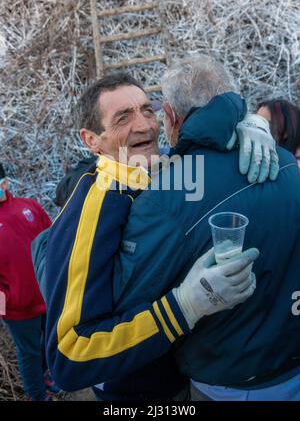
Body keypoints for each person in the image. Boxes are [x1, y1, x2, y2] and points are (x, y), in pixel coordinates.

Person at [42, 70, 277, 401]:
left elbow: (206, 140)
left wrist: (249, 124)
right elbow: (69, 354)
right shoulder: (93, 209)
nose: (145, 126)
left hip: (192, 375)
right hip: (139, 394)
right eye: (123, 117)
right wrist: (184, 306)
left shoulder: (165, 167)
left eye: (147, 110)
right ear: (92, 140)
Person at [111, 56, 300, 401]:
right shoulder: (286, 162)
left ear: (170, 116)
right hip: (292, 365)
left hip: (227, 381)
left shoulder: (168, 193)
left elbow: (127, 296)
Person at [0, 163, 54, 401]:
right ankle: (37, 395)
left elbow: (52, 240)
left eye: (1, 181)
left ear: (5, 182)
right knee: (29, 353)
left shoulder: (28, 206)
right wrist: (8, 304)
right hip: (18, 311)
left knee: (50, 341)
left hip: (47, 295)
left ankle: (49, 376)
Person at [256, 98, 300, 167]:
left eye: (266, 123)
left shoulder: (293, 167)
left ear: (286, 130)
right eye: (256, 121)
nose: (256, 128)